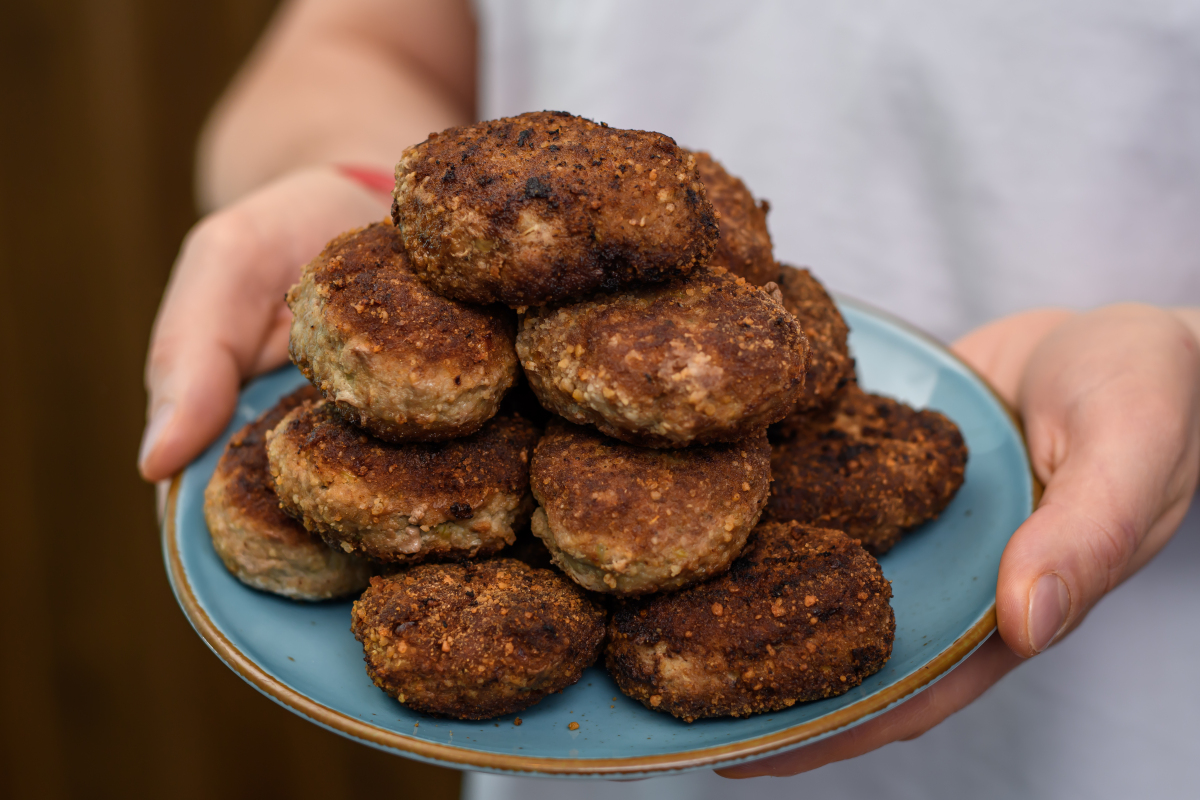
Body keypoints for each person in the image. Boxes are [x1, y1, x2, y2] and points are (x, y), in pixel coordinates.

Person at [138, 1, 1200, 796]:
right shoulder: (537, 387)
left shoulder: (743, 345)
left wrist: (1183, 354)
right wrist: (356, 191)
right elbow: (360, 42)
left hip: (1107, 729)